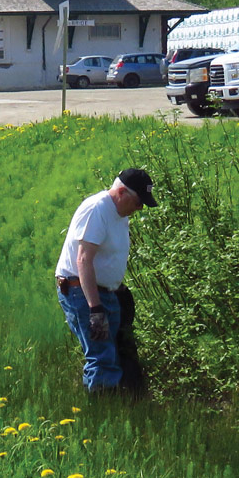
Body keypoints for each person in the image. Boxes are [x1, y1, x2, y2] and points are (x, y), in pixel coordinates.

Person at [55, 168, 157, 394]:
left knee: (114, 352)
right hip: (80, 291)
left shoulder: (120, 213)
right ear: (121, 192)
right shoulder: (97, 209)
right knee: (101, 356)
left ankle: (112, 404)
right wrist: (95, 309)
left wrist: (117, 289)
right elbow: (83, 260)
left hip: (106, 293)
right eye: (139, 202)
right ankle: (102, 412)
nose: (140, 209)